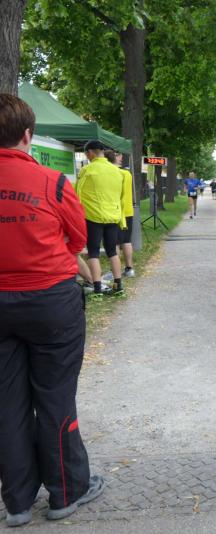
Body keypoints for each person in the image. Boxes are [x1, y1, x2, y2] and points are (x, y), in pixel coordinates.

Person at [0, 93, 105, 528]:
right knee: (55, 395)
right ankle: (65, 492)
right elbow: (78, 239)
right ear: (28, 135)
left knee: (7, 404)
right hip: (50, 302)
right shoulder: (53, 182)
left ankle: (17, 503)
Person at [76, 140, 126, 299]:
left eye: (86, 154)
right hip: (113, 216)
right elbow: (121, 196)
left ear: (90, 152)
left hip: (93, 216)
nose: (87, 157)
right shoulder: (117, 171)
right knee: (112, 251)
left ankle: (97, 289)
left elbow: (77, 194)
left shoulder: (87, 170)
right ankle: (118, 286)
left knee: (93, 252)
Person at [106, 150, 135, 277]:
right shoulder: (127, 173)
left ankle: (114, 271)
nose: (121, 157)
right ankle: (129, 269)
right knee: (126, 241)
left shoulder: (111, 173)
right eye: (119, 155)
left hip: (116, 212)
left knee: (115, 243)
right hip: (128, 211)